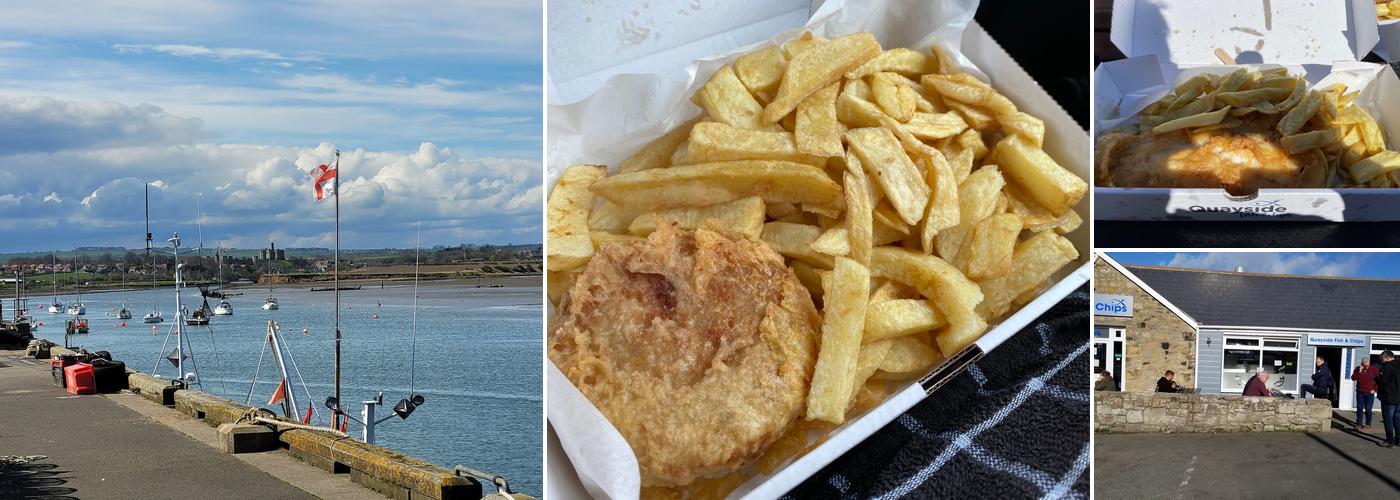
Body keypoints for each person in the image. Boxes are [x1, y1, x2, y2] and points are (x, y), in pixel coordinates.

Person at [1378, 351, 1400, 448]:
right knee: (1397, 419)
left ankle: (1389, 440)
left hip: (1389, 397)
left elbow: (1383, 381)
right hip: (1398, 398)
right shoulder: (1398, 365)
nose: (1381, 360)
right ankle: (1398, 440)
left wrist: (1376, 379)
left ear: (1387, 357)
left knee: (1388, 419)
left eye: (1382, 358)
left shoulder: (1387, 367)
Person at [1353, 357, 1380, 430]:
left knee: (1368, 409)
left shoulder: (1373, 369)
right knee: (1359, 408)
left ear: (1369, 363)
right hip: (1360, 392)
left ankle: (1368, 424)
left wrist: (1374, 389)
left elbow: (1378, 380)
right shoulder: (1358, 368)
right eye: (1364, 365)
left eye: (1367, 365)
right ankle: (1359, 423)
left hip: (1369, 393)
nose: (1366, 366)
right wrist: (1359, 371)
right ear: (1362, 363)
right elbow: (1353, 378)